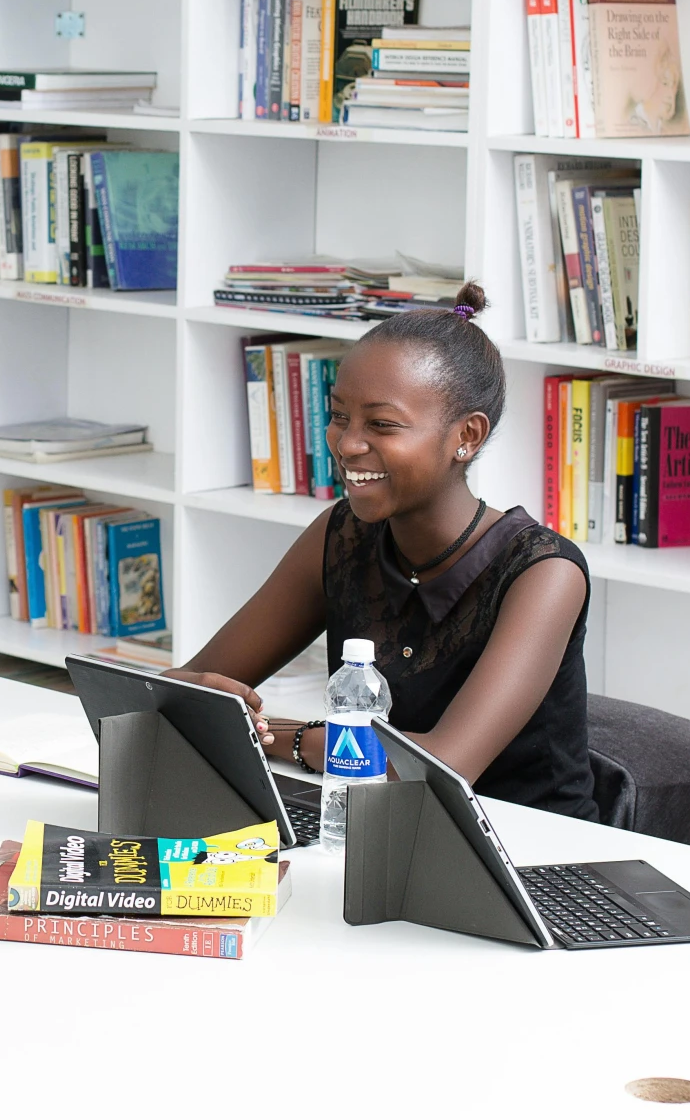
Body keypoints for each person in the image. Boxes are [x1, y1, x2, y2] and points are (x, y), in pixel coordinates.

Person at [168, 287, 597, 819]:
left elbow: (438, 770)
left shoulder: (544, 572)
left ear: (466, 435)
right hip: (377, 828)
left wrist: (286, 736)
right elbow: (168, 699)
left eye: (382, 424)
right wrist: (197, 699)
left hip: (533, 855)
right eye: (339, 416)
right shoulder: (342, 534)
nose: (346, 444)